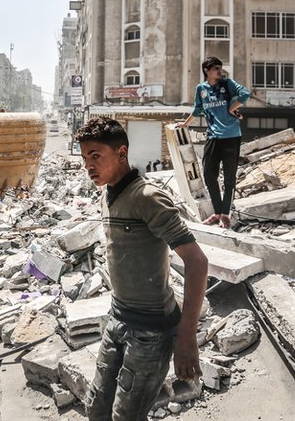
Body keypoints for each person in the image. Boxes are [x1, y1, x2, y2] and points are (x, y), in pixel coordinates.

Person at [75, 118, 208, 419]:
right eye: (85, 158)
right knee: (97, 409)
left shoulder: (147, 198)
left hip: (151, 331)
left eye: (96, 156)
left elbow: (197, 262)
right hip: (118, 319)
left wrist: (186, 337)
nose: (88, 166)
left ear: (121, 153)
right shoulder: (108, 193)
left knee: (127, 416)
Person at [178, 56, 250, 229]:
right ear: (207, 70)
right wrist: (185, 124)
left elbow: (246, 94)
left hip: (231, 136)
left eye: (220, 67)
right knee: (209, 175)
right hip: (212, 136)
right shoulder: (201, 89)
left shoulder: (228, 84)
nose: (220, 71)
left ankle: (225, 214)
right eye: (216, 68)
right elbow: (197, 109)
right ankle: (217, 212)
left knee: (229, 177)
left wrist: (233, 108)